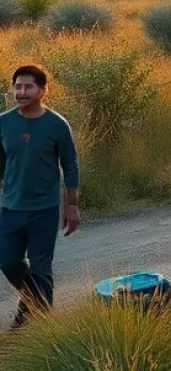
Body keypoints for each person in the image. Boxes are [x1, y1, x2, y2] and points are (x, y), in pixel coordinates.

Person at [0, 64, 80, 329]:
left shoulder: (56, 125)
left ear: (43, 90)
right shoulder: (4, 122)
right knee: (9, 262)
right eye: (17, 86)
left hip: (44, 209)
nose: (21, 92)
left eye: (28, 86)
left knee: (41, 270)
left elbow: (70, 165)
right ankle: (32, 300)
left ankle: (46, 335)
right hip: (10, 208)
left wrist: (72, 206)